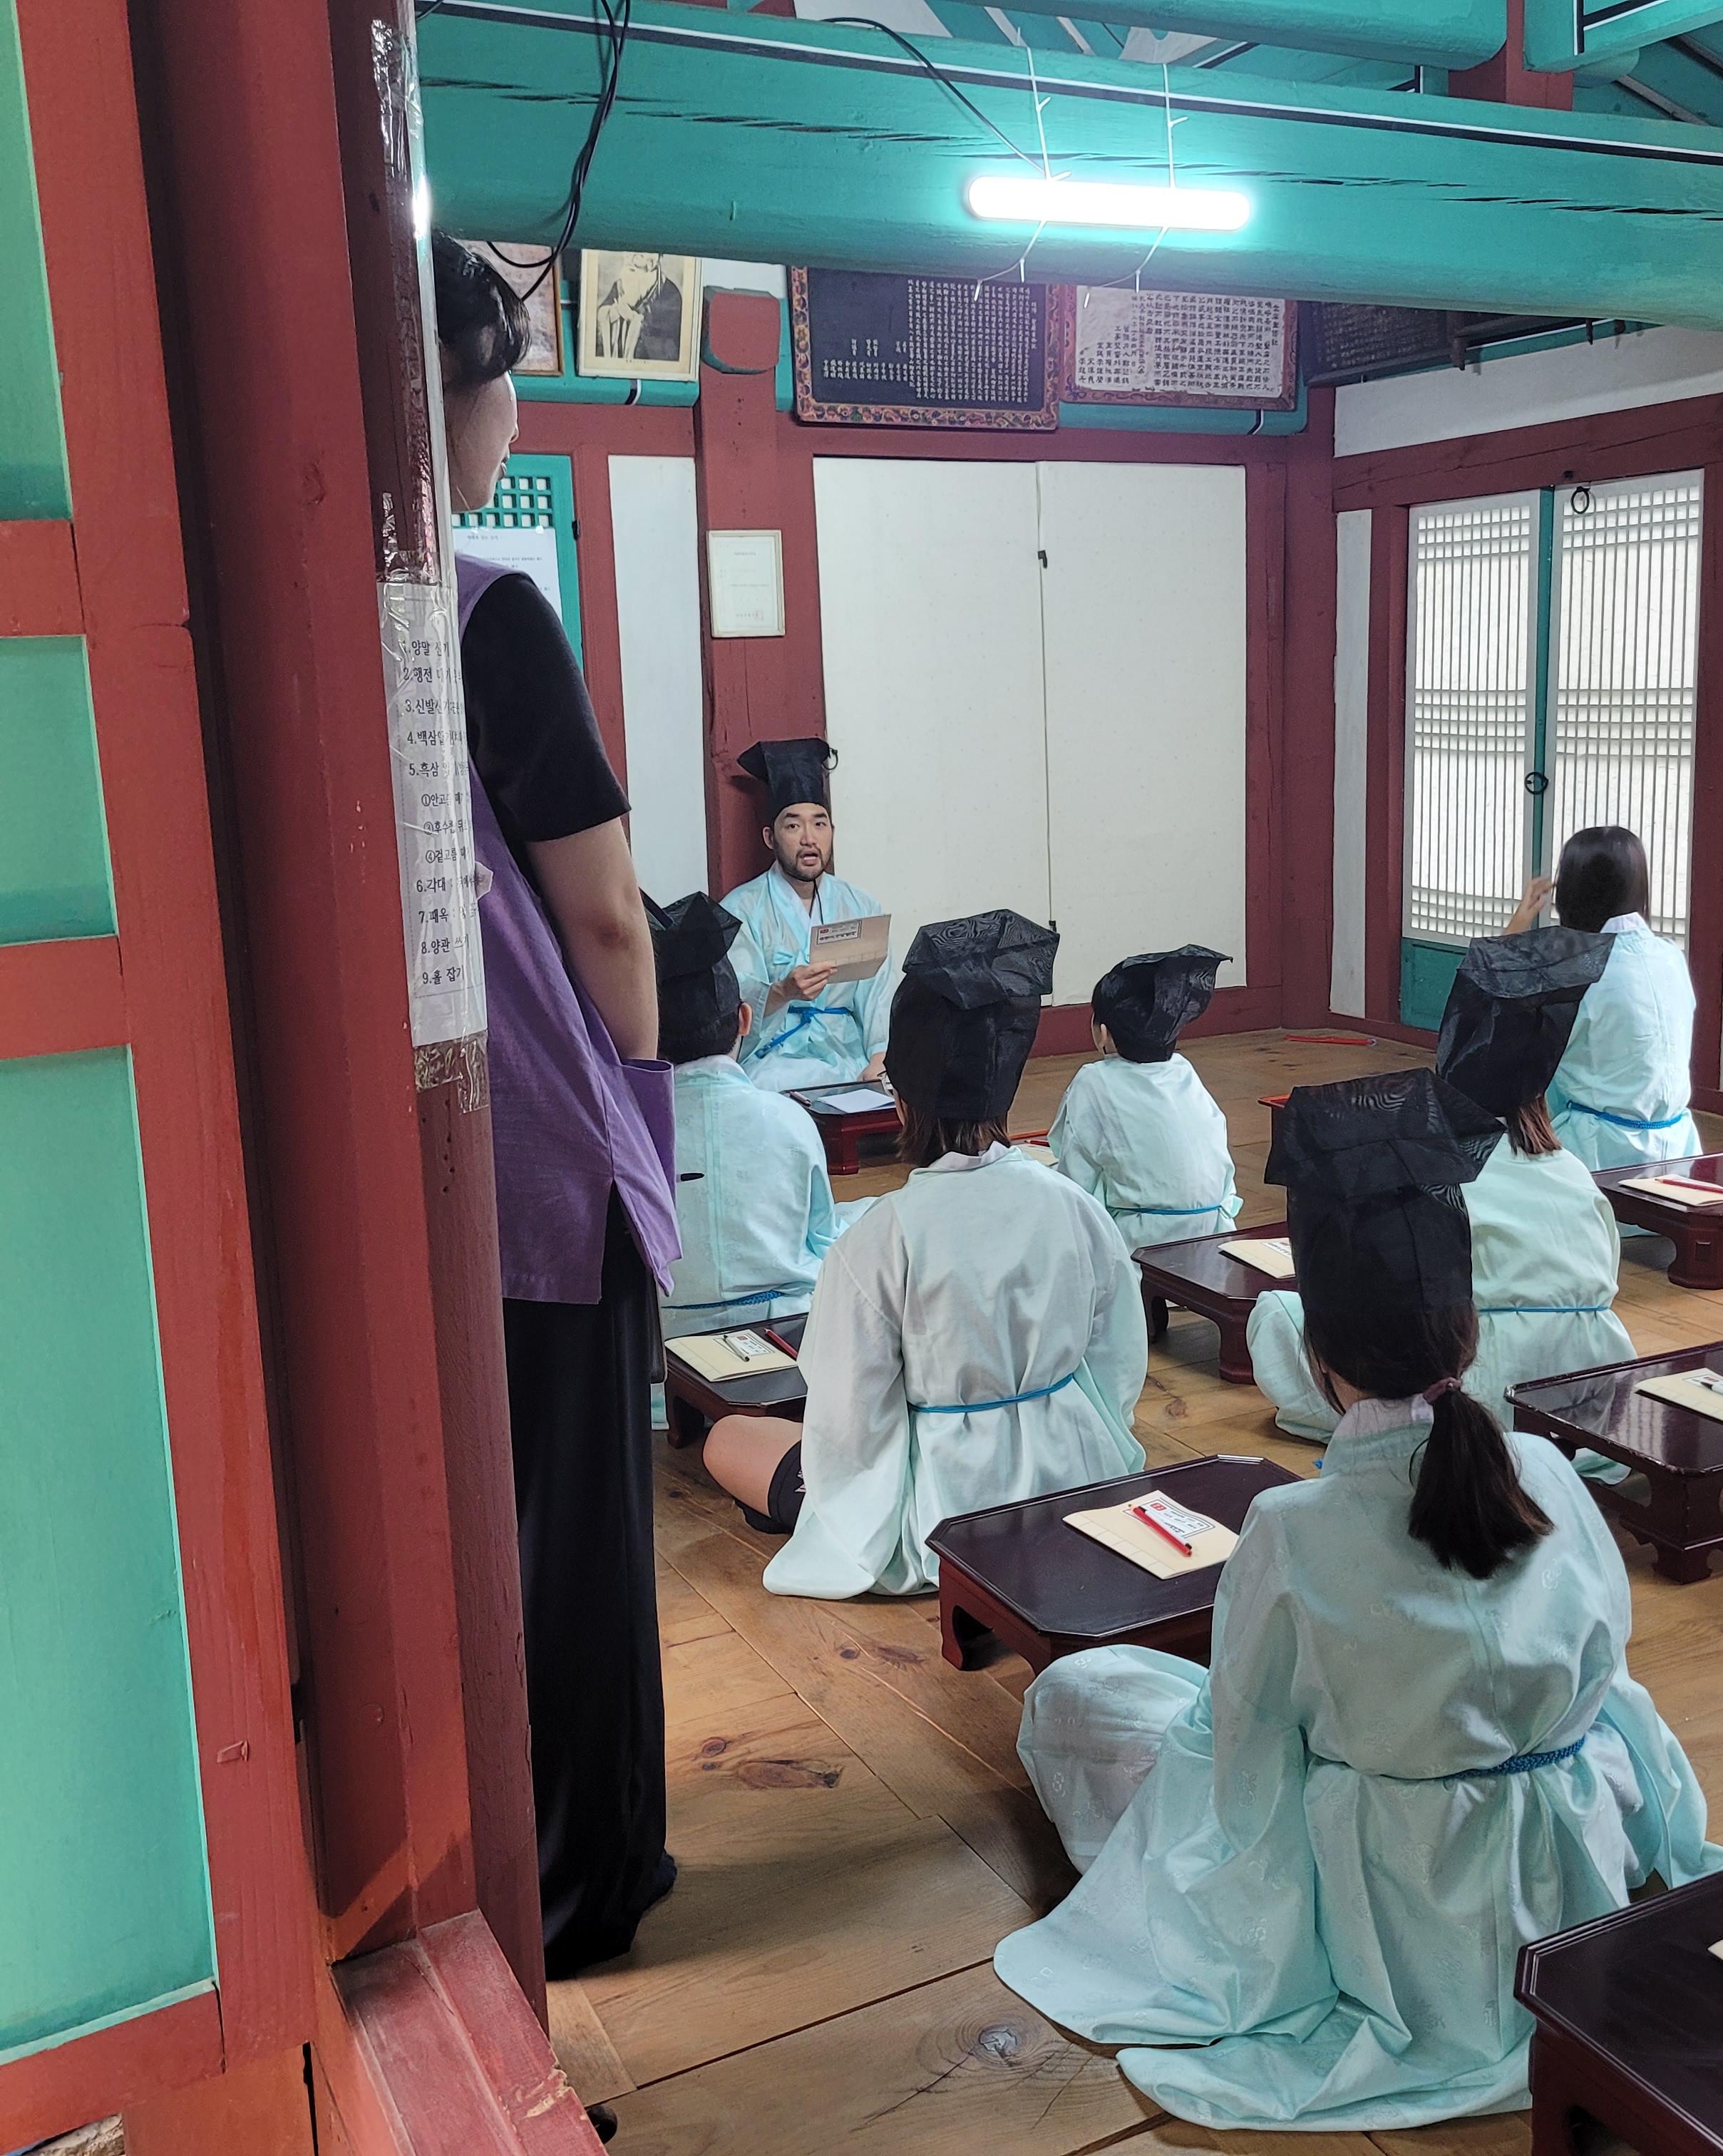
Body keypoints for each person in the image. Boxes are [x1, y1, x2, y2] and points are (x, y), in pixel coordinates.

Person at [994, 1070, 1723, 2133]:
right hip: (1568, 1859)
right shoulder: (1547, 1472)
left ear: (1317, 1359)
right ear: (1470, 1333)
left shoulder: (1293, 1528)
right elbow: (1608, 1675)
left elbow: (1247, 1755)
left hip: (1391, 1889)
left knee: (1086, 1694)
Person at [437, 237, 680, 1983]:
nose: (514, 414)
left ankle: (458, 1855)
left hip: (398, 1169)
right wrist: (645, 1084)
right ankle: (580, 1885)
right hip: (534, 1146)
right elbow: (605, 920)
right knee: (574, 1536)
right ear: (441, 398)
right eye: (501, 377)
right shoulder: (486, 609)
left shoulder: (271, 596)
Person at [699, 910, 1149, 1598]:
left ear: (900, 1102)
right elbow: (1118, 1361)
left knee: (729, 1438)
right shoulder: (1074, 1206)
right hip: (1074, 1481)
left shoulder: (880, 1238)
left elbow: (849, 1418)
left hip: (939, 1514)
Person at [1248, 928, 1634, 1462]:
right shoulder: (1571, 1170)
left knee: (1278, 1315)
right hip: (1588, 1395)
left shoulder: (1435, 1170)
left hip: (1471, 1381)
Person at [648, 890, 871, 1345]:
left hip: (664, 1344)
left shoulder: (632, 1132)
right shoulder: (790, 1119)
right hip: (786, 1334)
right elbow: (822, 1239)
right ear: (745, 1019)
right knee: (870, 1215)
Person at [1508, 826, 1702, 1169]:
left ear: (1571, 893)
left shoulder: (1576, 971)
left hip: (1596, 1150)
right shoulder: (1670, 955)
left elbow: (1491, 1011)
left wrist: (1518, 923)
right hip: (1679, 1148)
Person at [720, 738, 895, 1094]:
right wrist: (782, 992)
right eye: (793, 826)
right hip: (773, 1064)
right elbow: (731, 1006)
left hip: (848, 1061)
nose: (808, 839)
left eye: (819, 824)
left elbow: (879, 997)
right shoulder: (740, 910)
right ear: (770, 837)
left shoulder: (860, 906)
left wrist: (880, 1057)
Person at [1050, 945, 1241, 1253]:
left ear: (1102, 1032)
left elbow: (1076, 1184)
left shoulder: (1094, 1080)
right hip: (1216, 1236)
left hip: (1146, 1245)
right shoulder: (1183, 1070)